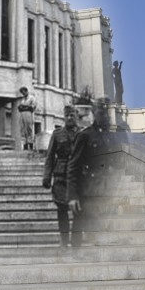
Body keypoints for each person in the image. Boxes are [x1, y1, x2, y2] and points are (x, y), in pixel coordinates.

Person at [67, 97, 115, 248]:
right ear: (94, 112)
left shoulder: (113, 137)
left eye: (107, 111)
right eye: (101, 111)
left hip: (108, 190)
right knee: (80, 226)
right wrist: (73, 196)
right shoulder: (85, 135)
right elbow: (73, 166)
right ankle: (76, 255)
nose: (105, 115)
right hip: (88, 190)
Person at [43, 105, 80, 247]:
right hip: (61, 177)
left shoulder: (83, 134)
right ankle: (64, 242)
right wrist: (47, 177)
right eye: (67, 116)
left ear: (76, 116)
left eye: (72, 115)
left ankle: (76, 245)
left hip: (77, 177)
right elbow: (50, 156)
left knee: (79, 213)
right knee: (62, 211)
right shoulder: (57, 134)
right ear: (63, 118)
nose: (69, 118)